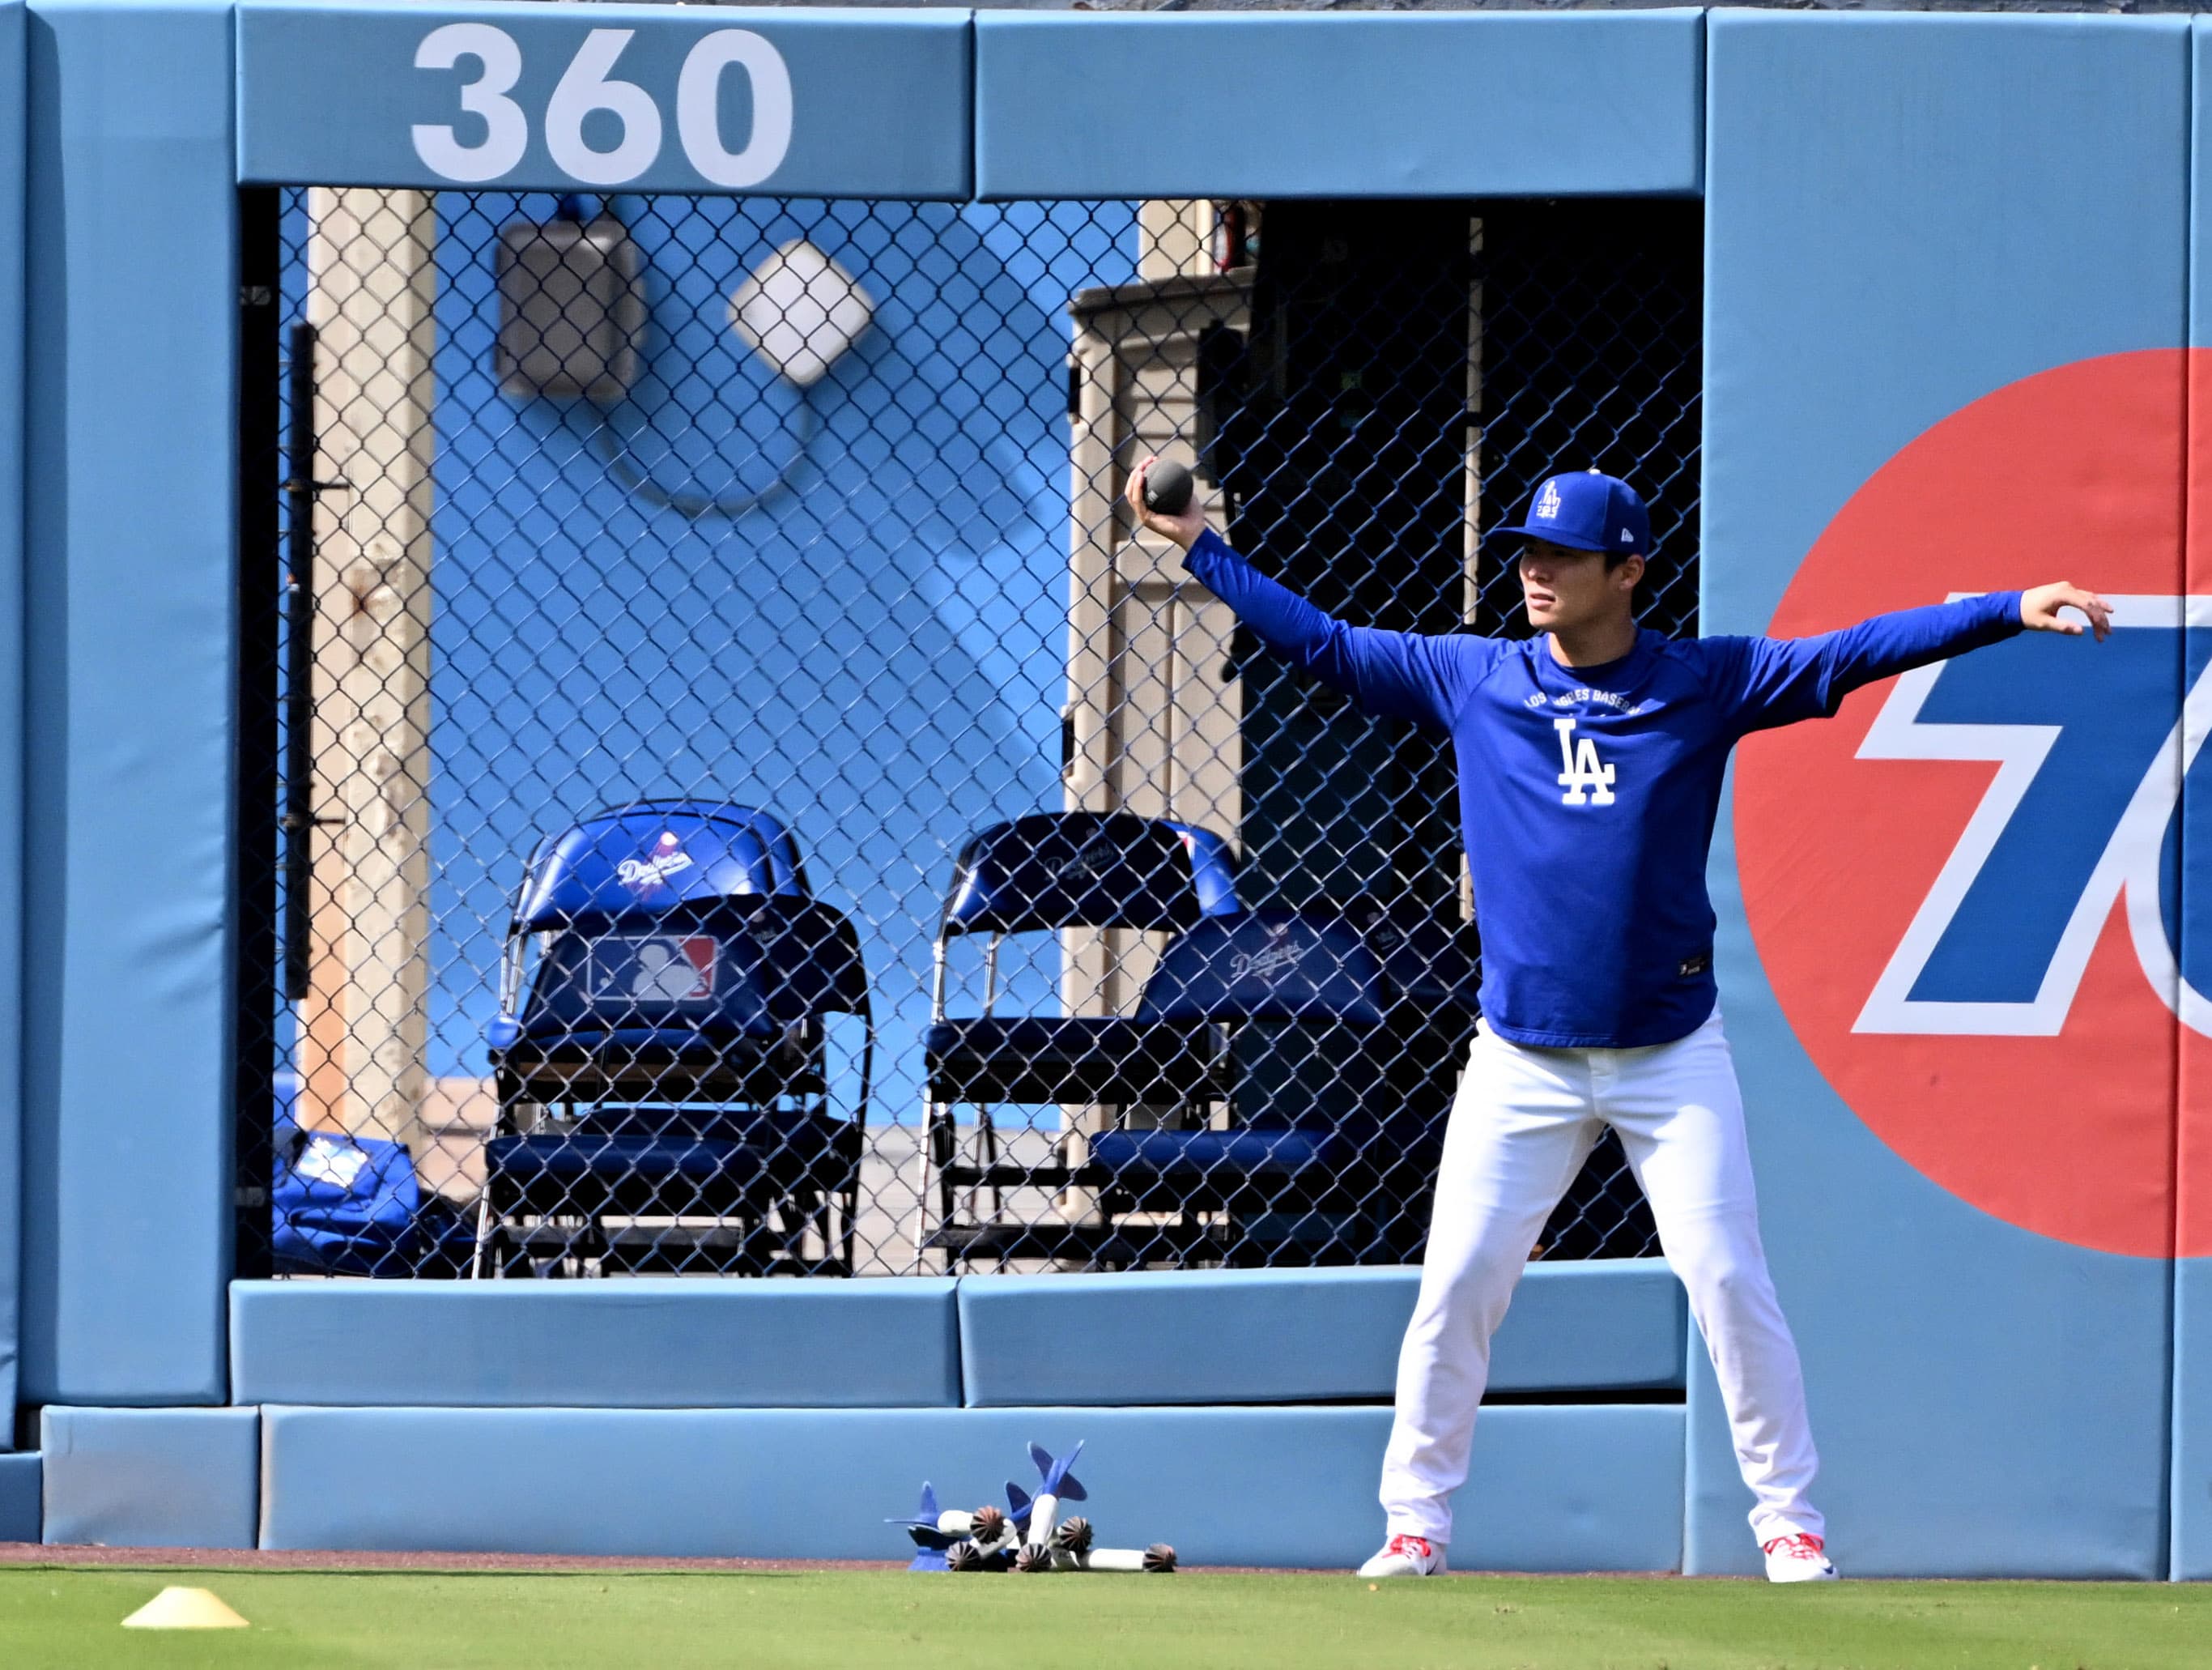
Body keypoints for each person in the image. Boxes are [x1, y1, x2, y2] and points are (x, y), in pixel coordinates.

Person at [1128, 459, 2110, 1583]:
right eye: (1527, 553)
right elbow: (1328, 643)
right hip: (1522, 1057)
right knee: (1457, 1283)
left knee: (1729, 1274)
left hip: (1668, 1052)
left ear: (1627, 569)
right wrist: (1200, 544)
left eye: (1560, 556)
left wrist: (2004, 610)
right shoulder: (1475, 676)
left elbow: (1852, 651)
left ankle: (1789, 1520)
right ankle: (1416, 1524)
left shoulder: (1702, 682)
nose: (1534, 572)